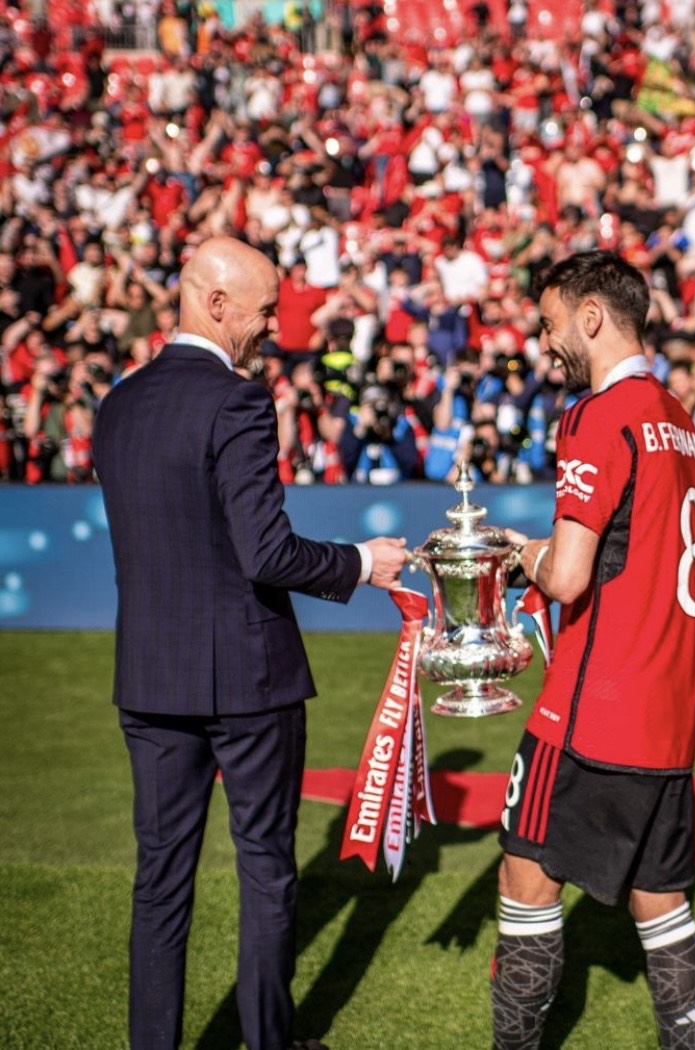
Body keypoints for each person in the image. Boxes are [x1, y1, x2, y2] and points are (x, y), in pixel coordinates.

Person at [91, 235, 408, 1050]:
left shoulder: (116, 404)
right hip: (248, 677)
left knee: (160, 883)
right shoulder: (236, 399)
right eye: (265, 309)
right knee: (266, 869)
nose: (273, 325)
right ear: (216, 302)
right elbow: (263, 551)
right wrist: (361, 564)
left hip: (150, 678)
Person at [493, 251, 695, 1050]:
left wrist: (524, 556)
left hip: (592, 711)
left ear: (591, 316)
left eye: (550, 324)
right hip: (672, 714)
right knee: (661, 903)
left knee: (524, 876)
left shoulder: (598, 413)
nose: (544, 342)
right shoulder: (681, 419)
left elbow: (572, 575)